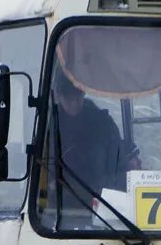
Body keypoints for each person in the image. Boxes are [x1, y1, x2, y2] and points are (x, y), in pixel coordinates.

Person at [51, 71, 135, 199]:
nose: (74, 102)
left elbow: (119, 159)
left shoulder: (103, 123)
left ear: (84, 93)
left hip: (101, 200)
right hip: (59, 203)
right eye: (68, 97)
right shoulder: (48, 127)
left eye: (78, 96)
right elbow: (43, 164)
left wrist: (131, 159)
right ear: (58, 96)